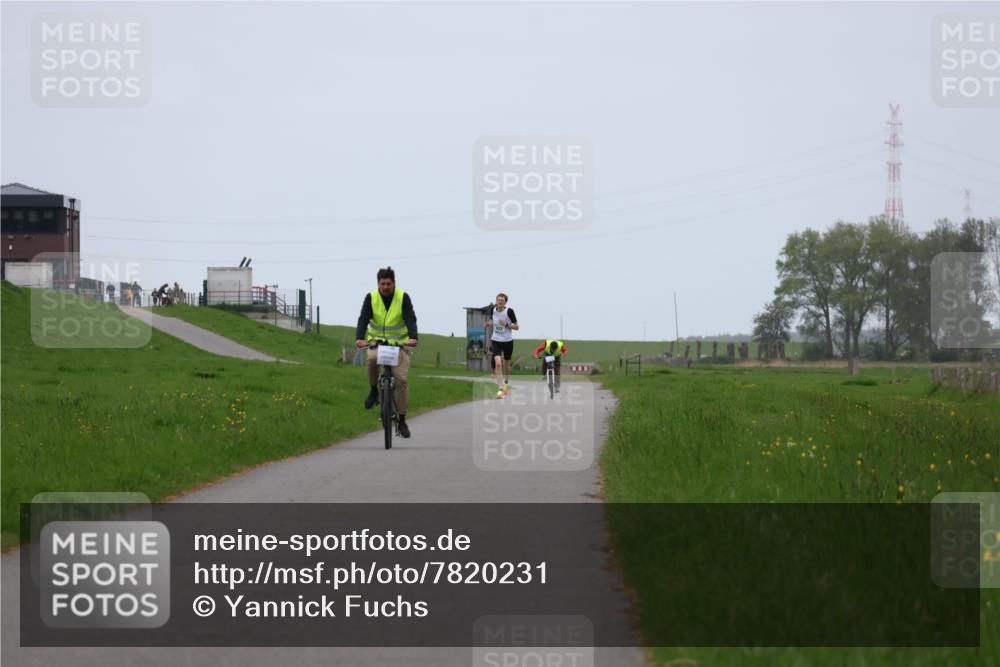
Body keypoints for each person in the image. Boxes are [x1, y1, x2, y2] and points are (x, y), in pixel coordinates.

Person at [355, 266, 418, 438]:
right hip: (378, 343)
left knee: (401, 379)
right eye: (382, 283)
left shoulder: (402, 297)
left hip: (400, 345)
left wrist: (413, 337)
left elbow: (410, 318)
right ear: (378, 284)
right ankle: (374, 390)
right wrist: (360, 337)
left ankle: (403, 419)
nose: (385, 287)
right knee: (373, 359)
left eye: (388, 283)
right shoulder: (371, 298)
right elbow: (363, 319)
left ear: (394, 283)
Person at [484, 293, 519, 399]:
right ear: (496, 301)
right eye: (498, 299)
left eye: (502, 300)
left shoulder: (509, 311)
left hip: (508, 341)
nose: (499, 301)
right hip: (496, 340)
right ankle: (500, 388)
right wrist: (488, 324)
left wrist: (507, 324)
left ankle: (506, 384)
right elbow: (492, 321)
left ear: (505, 302)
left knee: (506, 366)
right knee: (498, 363)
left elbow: (517, 327)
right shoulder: (493, 310)